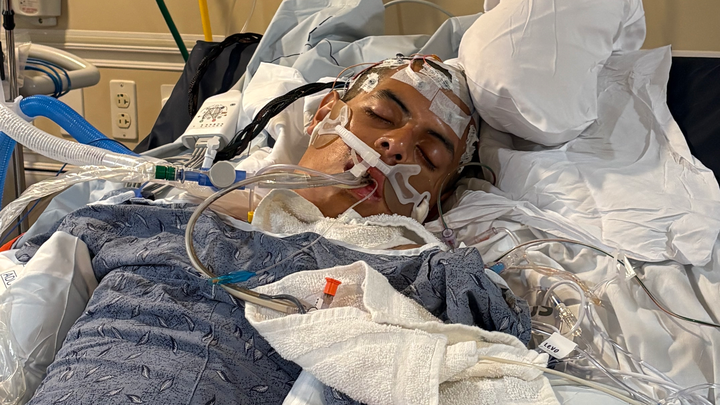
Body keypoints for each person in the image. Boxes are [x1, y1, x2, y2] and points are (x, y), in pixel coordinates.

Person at [19, 57, 528, 405]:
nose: (395, 146)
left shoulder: (429, 283)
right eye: (379, 115)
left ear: (434, 201)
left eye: (429, 154)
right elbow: (21, 315)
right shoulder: (154, 216)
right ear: (323, 114)